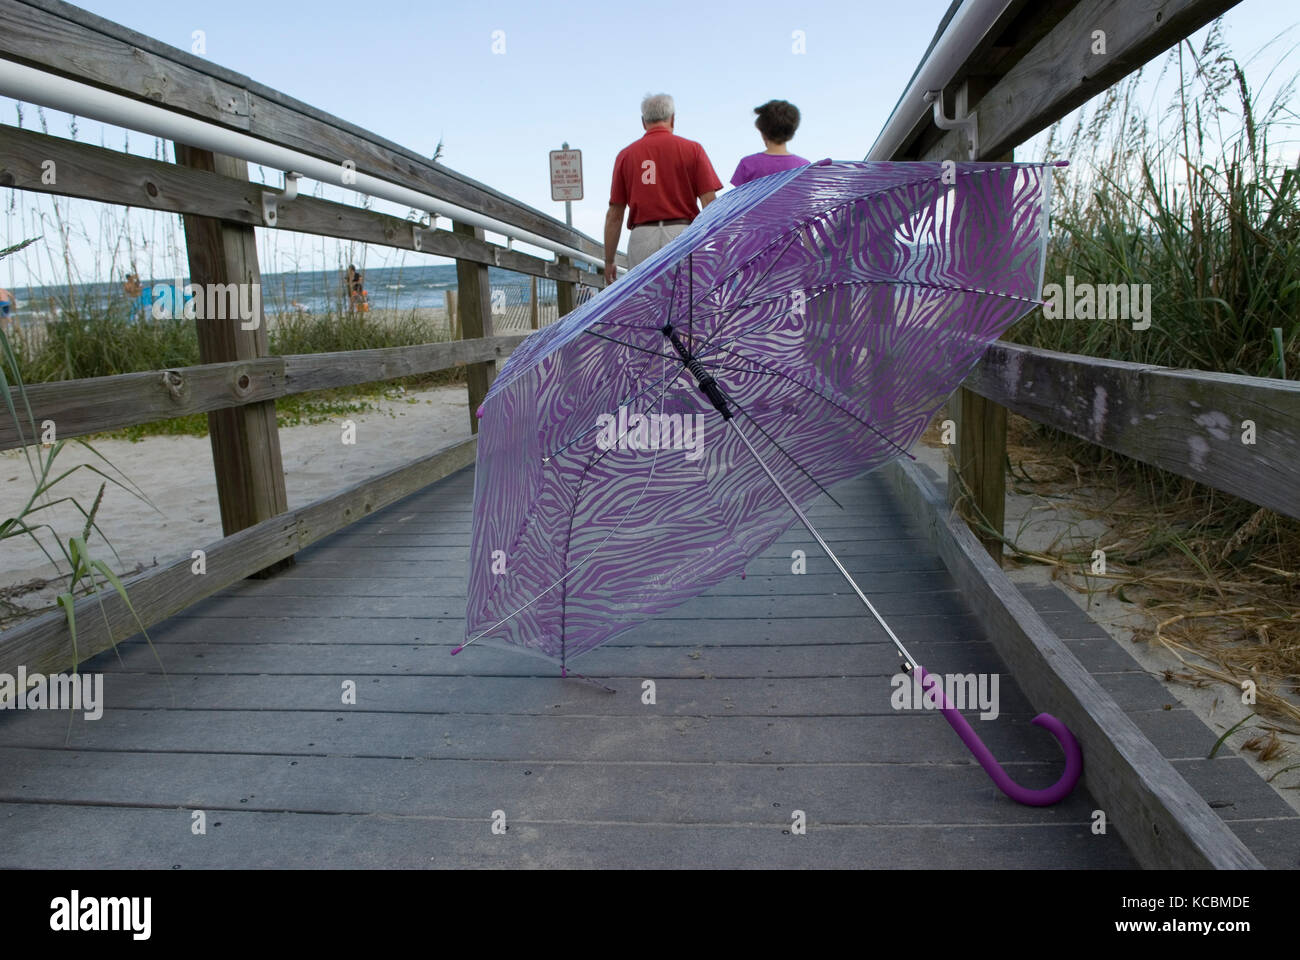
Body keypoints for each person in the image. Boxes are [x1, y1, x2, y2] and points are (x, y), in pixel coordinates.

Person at [605, 93, 723, 282]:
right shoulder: (693, 149)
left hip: (642, 236)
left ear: (643, 122)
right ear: (673, 119)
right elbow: (709, 203)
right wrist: (716, 246)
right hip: (683, 233)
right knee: (685, 301)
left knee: (646, 302)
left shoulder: (626, 155)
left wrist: (609, 259)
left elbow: (615, 214)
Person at [730, 100, 810, 187]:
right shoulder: (804, 166)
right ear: (793, 130)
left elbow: (738, 198)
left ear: (762, 130)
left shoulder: (747, 164)